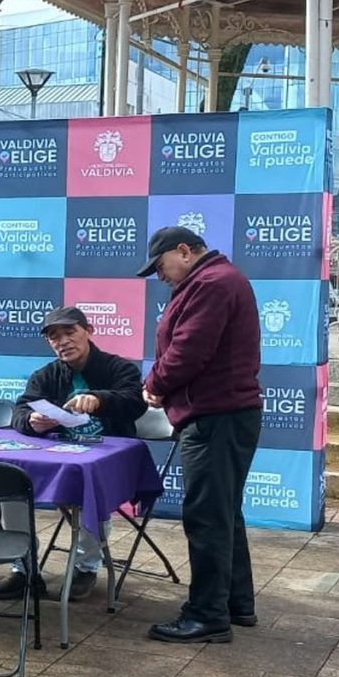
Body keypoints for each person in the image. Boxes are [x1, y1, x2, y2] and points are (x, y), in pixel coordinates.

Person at [138, 226, 262, 644]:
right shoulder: (216, 280)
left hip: (215, 417)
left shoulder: (211, 283)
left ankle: (207, 615)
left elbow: (189, 349)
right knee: (224, 512)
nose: (160, 276)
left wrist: (155, 383)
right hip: (225, 414)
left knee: (208, 517)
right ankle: (236, 603)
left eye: (160, 267)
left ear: (184, 251)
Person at [0, 306, 147, 602]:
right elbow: (21, 410)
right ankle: (24, 569)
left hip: (105, 458)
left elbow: (135, 402)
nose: (63, 341)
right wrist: (31, 421)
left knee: (92, 487)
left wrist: (99, 400)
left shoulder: (119, 368)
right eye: (54, 336)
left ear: (89, 331)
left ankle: (86, 567)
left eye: (70, 332)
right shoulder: (45, 375)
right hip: (59, 458)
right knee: (12, 483)